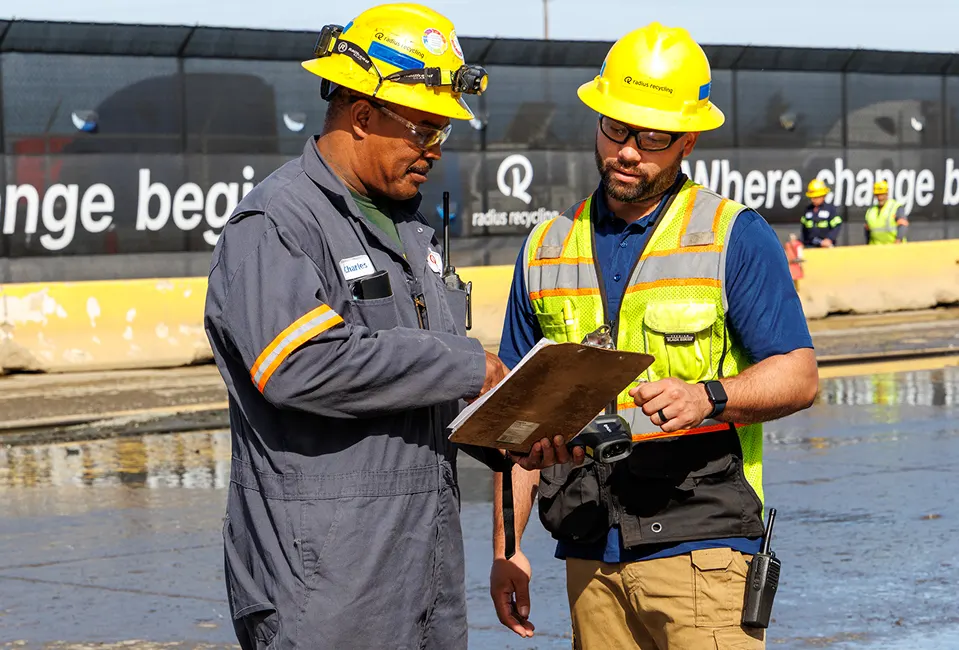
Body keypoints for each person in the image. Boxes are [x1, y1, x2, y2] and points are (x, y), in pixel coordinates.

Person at [489, 22, 820, 650]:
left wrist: (707, 397)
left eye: (653, 136)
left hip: (704, 547)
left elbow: (799, 375)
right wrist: (508, 549)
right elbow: (515, 422)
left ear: (687, 139)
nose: (629, 151)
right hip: (588, 554)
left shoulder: (732, 235)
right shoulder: (545, 248)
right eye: (616, 128)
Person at [203, 5, 508, 649]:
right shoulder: (278, 223)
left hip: (424, 574)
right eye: (423, 128)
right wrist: (462, 364)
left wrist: (512, 429)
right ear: (363, 115)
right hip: (327, 590)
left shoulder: (413, 233)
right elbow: (299, 364)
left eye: (443, 132)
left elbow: (419, 400)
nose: (434, 149)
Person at [800, 178, 842, 247]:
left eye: (816, 197)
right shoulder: (808, 210)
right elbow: (804, 230)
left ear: (823, 196)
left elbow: (837, 226)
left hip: (826, 247)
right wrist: (802, 242)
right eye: (812, 197)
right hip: (810, 246)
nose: (813, 200)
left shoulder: (830, 209)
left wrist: (829, 239)